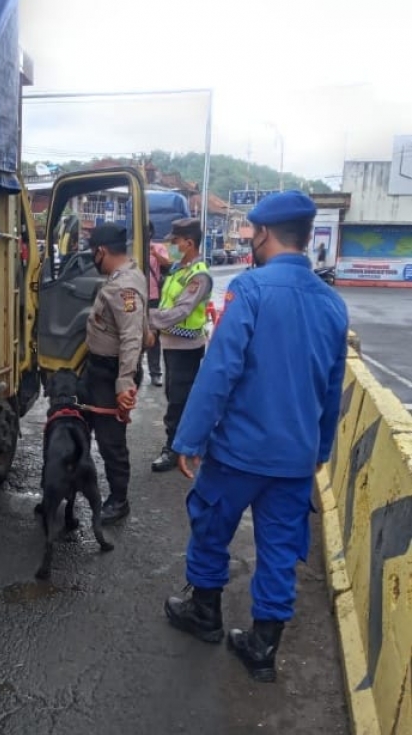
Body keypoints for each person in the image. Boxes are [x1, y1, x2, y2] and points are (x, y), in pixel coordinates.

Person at [164, 190, 349, 682]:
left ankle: (204, 614)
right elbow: (332, 392)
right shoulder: (332, 304)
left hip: (238, 454)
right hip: (293, 461)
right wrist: (320, 451)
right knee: (280, 551)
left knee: (210, 528)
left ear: (263, 234)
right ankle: (262, 647)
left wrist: (189, 439)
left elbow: (220, 371)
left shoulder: (251, 290)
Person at [79, 222, 148, 524]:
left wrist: (124, 385)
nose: (93, 258)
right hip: (98, 369)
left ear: (102, 251)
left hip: (111, 373)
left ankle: (119, 500)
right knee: (82, 424)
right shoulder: (128, 275)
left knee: (110, 441)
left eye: (93, 253)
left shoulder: (124, 286)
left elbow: (131, 337)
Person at [148, 218, 212, 472]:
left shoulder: (199, 275)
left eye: (174, 241)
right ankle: (182, 443)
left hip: (187, 347)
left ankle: (175, 448)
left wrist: (148, 319)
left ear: (189, 243)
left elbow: (180, 310)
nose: (170, 245)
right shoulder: (178, 269)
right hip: (172, 344)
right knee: (175, 395)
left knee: (178, 399)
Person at [147, 222, 171, 386]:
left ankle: (155, 373)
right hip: (136, 297)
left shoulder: (158, 247)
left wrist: (154, 253)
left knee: (154, 336)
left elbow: (167, 264)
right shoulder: (131, 249)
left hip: (154, 297)